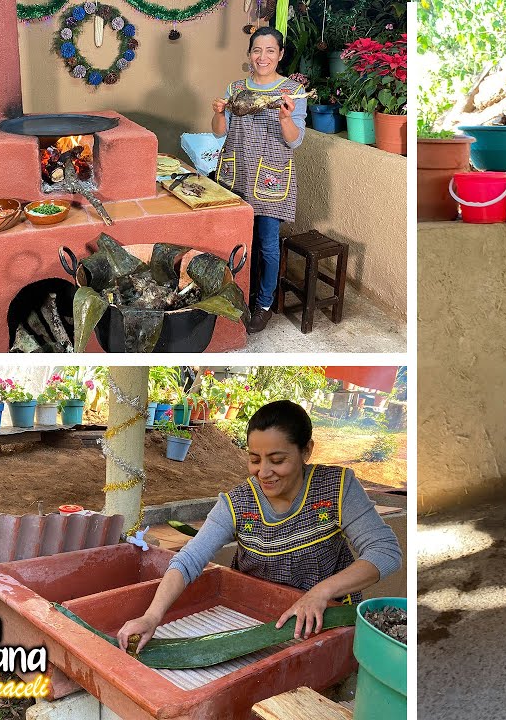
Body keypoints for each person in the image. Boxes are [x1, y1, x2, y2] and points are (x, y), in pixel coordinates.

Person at [116, 401, 402, 646]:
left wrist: (320, 593)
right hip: (255, 620)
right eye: (254, 459)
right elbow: (190, 559)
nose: (264, 472)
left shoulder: (337, 488)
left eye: (277, 460)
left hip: (327, 620)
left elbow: (385, 551)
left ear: (306, 451)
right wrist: (151, 616)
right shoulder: (238, 503)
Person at [211, 27, 309, 334]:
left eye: (270, 51)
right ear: (249, 54)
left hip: (270, 177)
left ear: (280, 55)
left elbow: (294, 141)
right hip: (237, 172)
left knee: (267, 244)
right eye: (257, 50)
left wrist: (285, 118)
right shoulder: (236, 88)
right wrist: (219, 112)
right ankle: (238, 294)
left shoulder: (292, 91)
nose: (262, 57)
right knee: (237, 239)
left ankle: (263, 304)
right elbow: (219, 132)